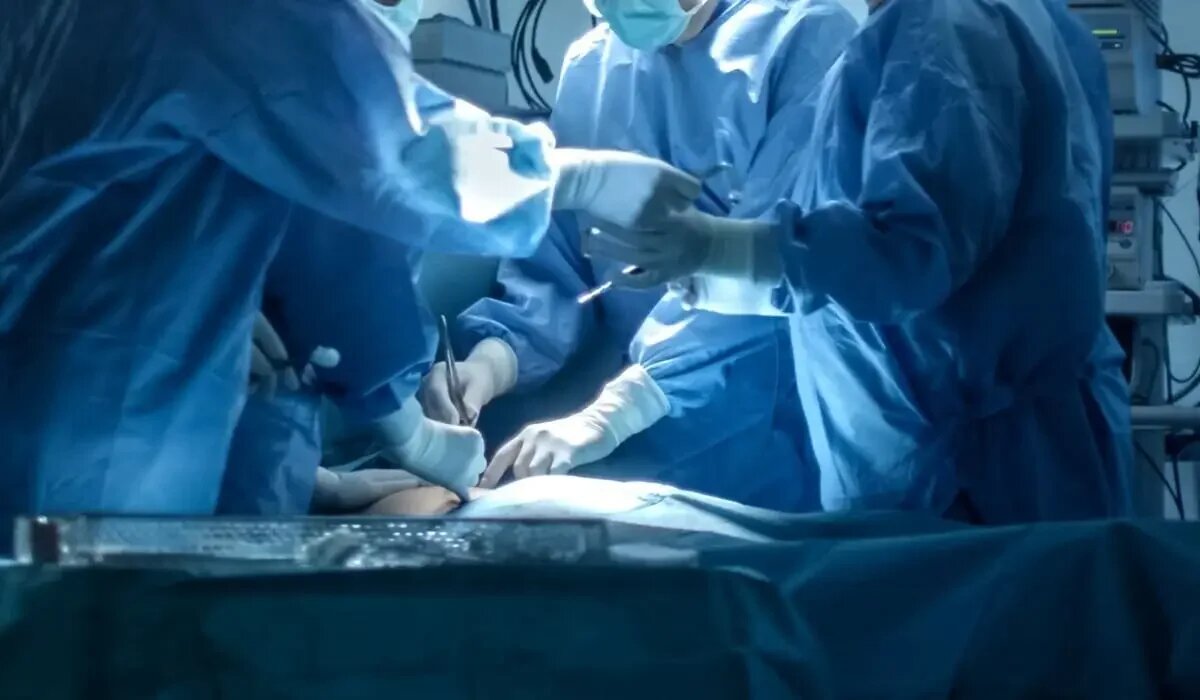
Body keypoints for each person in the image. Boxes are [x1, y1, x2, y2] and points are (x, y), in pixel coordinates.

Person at [0, 0, 699, 526]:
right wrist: (578, 179)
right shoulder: (255, 15)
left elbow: (320, 238)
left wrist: (370, 434)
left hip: (68, 376)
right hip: (92, 420)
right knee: (84, 629)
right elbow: (401, 152)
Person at [583, 0, 1134, 524]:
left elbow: (909, 259)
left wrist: (718, 248)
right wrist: (712, 269)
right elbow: (842, 272)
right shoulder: (932, 31)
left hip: (977, 472)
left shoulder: (947, 27)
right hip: (957, 453)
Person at [421, 0, 858, 510]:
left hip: (764, 435)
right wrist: (492, 361)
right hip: (631, 447)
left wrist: (621, 409)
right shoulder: (591, 66)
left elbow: (773, 265)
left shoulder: (805, 35)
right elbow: (559, 265)